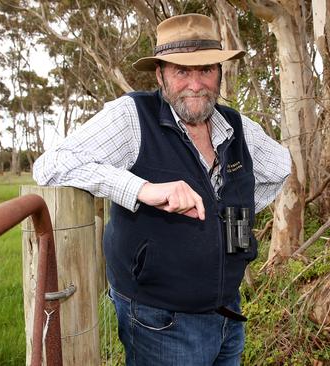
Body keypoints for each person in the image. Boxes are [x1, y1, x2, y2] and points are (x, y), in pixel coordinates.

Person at [33, 13, 291, 366]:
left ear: (220, 72)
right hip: (160, 322)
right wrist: (141, 189)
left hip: (228, 311)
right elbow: (51, 165)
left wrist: (227, 215)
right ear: (160, 74)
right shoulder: (132, 116)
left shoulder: (236, 125)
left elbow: (280, 167)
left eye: (206, 70)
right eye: (182, 71)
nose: (196, 84)